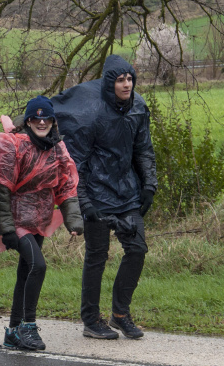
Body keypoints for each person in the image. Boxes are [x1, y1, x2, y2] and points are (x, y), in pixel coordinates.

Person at [51, 54, 156, 340]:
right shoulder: (91, 114)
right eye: (121, 80)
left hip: (127, 192)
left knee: (137, 249)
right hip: (95, 193)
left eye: (130, 79)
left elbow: (143, 149)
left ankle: (120, 314)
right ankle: (91, 319)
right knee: (97, 256)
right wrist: (85, 204)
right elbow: (76, 165)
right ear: (110, 83)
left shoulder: (138, 108)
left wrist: (149, 186)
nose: (126, 84)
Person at [0, 96, 84, 351]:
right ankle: (29, 326)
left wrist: (73, 219)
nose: (41, 122)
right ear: (28, 121)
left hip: (40, 218)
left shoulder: (57, 148)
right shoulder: (14, 146)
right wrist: (5, 229)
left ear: (52, 121)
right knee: (38, 266)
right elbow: (1, 189)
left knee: (25, 272)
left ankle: (12, 331)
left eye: (46, 119)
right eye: (36, 119)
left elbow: (66, 186)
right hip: (16, 219)